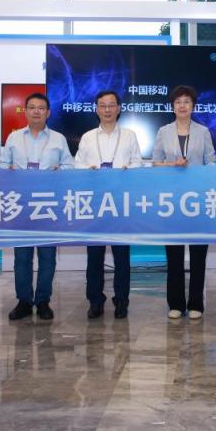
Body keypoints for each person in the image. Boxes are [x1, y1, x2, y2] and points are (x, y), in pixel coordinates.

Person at [0, 92, 74, 322]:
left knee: (47, 256)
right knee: (22, 257)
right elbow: (2, 165)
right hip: (20, 204)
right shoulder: (14, 138)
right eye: (32, 107)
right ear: (25, 111)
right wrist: (8, 170)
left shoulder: (58, 139)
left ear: (48, 113)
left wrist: (61, 171)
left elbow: (70, 166)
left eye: (41, 108)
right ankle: (23, 301)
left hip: (48, 204)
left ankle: (43, 301)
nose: (36, 111)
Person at [74, 90, 143, 319]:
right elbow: (77, 166)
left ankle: (121, 300)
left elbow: (138, 163)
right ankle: (95, 300)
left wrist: (126, 170)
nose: (107, 109)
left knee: (122, 255)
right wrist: (89, 171)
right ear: (96, 109)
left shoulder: (129, 136)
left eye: (111, 105)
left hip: (121, 203)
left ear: (119, 109)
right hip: (94, 203)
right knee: (94, 255)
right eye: (102, 105)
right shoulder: (87, 137)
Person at [152, 85, 216, 321]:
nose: (182, 106)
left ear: (193, 106)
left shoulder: (203, 131)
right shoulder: (163, 131)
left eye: (186, 101)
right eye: (178, 102)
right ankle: (176, 304)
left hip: (198, 199)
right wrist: (173, 165)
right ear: (172, 106)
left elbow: (211, 163)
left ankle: (196, 303)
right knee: (174, 255)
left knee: (198, 255)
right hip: (172, 200)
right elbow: (155, 163)